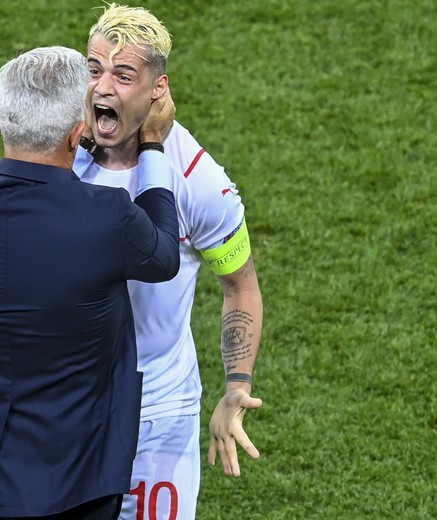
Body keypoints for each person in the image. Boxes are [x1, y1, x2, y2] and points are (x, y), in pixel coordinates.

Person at [0, 46, 181, 520]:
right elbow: (164, 255)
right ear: (77, 133)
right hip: (71, 475)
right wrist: (150, 145)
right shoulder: (107, 220)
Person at [72, 4, 266, 519]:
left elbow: (240, 286)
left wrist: (236, 388)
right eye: (94, 70)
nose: (101, 88)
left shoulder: (198, 180)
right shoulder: (61, 149)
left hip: (157, 414)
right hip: (65, 403)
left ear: (159, 88)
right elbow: (6, 255)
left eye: (123, 75)